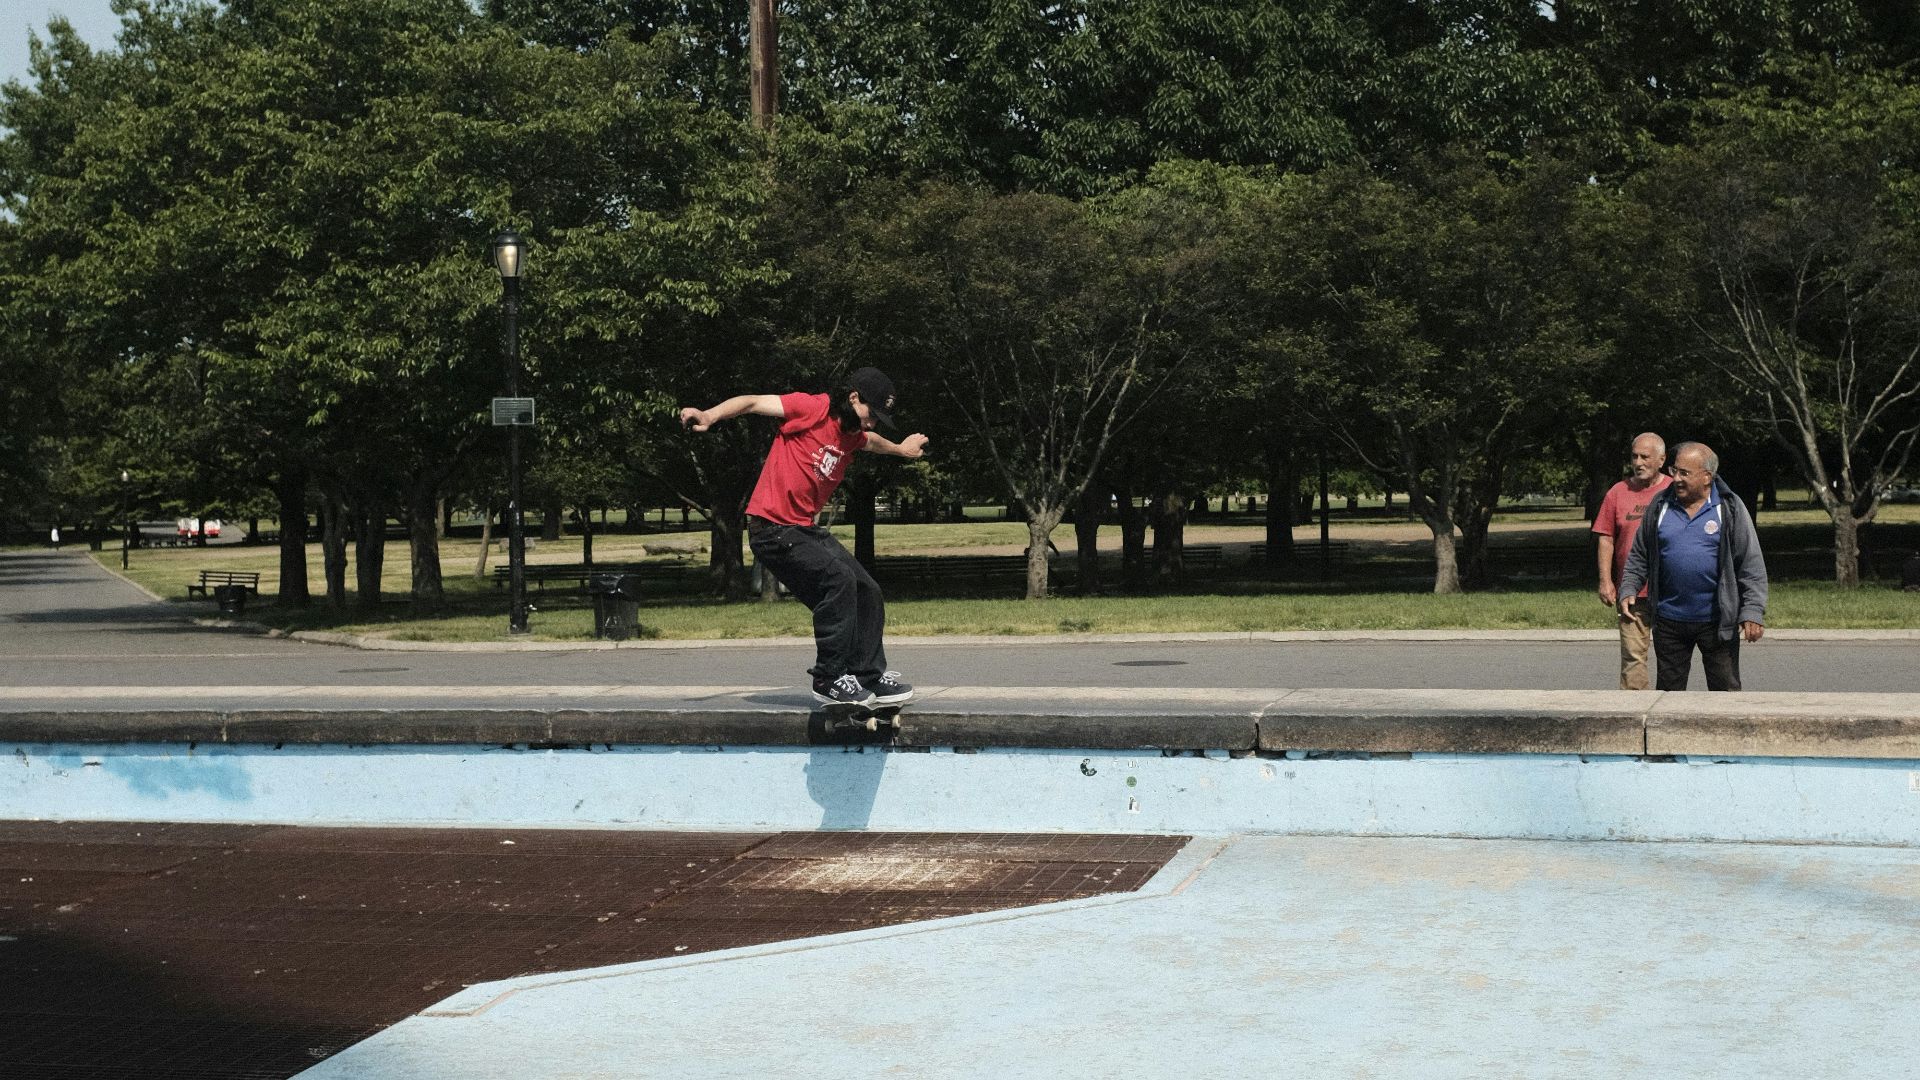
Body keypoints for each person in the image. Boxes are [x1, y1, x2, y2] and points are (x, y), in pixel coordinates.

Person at [680, 367, 928, 707]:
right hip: (770, 528)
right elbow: (752, 402)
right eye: (872, 413)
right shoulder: (812, 408)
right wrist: (709, 415)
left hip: (802, 529)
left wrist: (901, 449)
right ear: (854, 397)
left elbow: (870, 442)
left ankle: (867, 673)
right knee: (838, 579)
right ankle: (829, 678)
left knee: (867, 589)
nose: (872, 422)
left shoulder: (854, 434)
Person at [1617, 442, 1767, 691]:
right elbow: (1639, 555)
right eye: (1675, 471)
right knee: (1668, 698)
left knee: (1725, 695)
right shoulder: (1660, 506)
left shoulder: (1729, 507)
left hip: (1718, 622)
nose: (1675, 478)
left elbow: (1750, 564)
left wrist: (1752, 611)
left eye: (1684, 473)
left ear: (1707, 477)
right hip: (1669, 621)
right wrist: (1629, 588)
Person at [1591, 433, 1671, 689]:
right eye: (1634, 456)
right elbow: (1606, 538)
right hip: (1631, 593)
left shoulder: (1674, 490)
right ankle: (1634, 715)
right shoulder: (1618, 492)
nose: (1638, 462)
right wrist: (1606, 581)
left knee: (1671, 660)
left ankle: (1667, 711)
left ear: (1661, 459)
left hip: (1670, 592)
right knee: (1633, 659)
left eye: (1645, 457)